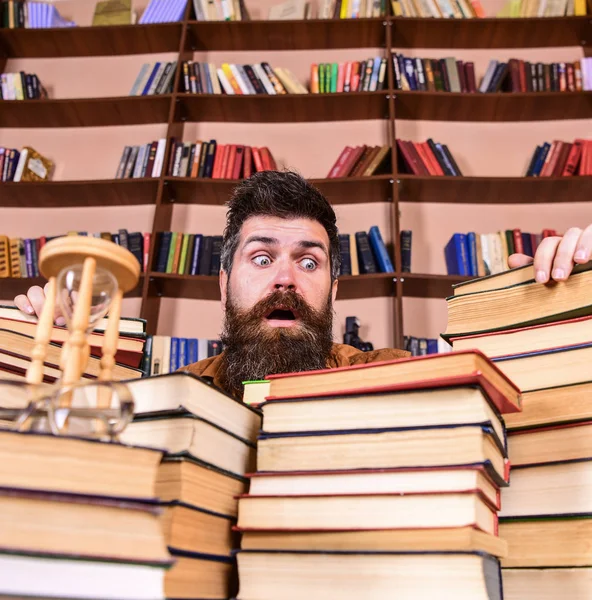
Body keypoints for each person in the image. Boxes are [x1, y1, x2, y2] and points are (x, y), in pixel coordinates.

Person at [13, 171, 592, 399]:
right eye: (261, 258)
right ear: (223, 282)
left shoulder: (401, 382)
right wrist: (47, 355)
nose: (285, 278)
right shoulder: (164, 401)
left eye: (309, 262)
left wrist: (558, 306)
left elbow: (534, 408)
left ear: (335, 289)